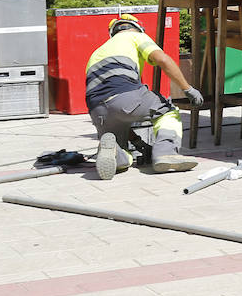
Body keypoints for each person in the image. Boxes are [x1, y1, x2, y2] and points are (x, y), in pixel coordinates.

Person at [86, 13, 204, 178]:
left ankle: (115, 153)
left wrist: (139, 143)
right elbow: (162, 59)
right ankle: (165, 152)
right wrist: (188, 89)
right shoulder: (135, 36)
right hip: (125, 94)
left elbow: (116, 110)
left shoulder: (98, 51)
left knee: (122, 148)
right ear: (137, 27)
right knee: (168, 111)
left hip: (97, 110)